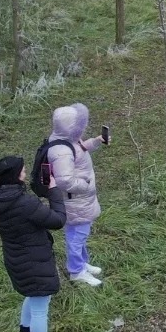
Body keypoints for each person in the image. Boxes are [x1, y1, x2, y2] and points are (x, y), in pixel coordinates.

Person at [0, 156, 69, 332]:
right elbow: (57, 220)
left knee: (32, 293)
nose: (24, 173)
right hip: (34, 259)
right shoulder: (24, 202)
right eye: (21, 171)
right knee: (41, 305)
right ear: (14, 176)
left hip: (15, 257)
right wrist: (53, 191)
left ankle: (24, 330)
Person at [46, 103, 108, 287]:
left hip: (80, 200)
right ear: (71, 128)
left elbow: (80, 149)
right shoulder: (62, 151)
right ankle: (76, 271)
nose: (83, 128)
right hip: (75, 202)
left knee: (79, 234)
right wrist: (86, 185)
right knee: (77, 236)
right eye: (80, 125)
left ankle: (81, 263)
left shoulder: (67, 139)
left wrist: (96, 141)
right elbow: (65, 181)